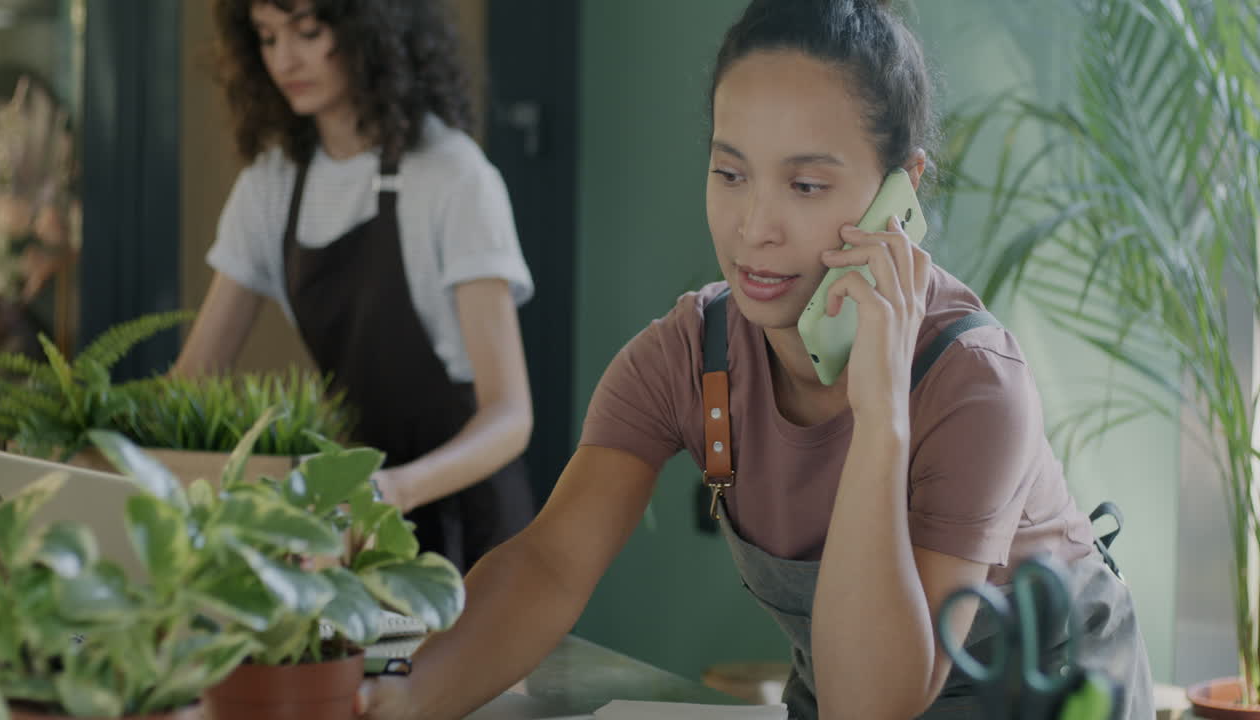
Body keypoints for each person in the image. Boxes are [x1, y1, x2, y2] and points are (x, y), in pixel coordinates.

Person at [356, 0, 1155, 717]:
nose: (754, 227)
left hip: (1048, 700)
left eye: (805, 186)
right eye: (730, 173)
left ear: (900, 192)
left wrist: (881, 418)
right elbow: (551, 565)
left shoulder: (975, 381)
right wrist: (405, 697)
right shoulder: (687, 355)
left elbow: (873, 707)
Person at [173, 0, 536, 573]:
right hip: (357, 517)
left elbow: (511, 415)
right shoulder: (270, 185)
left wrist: (394, 489)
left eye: (308, 31)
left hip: (473, 525)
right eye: (266, 38)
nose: (284, 59)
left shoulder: (453, 176)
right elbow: (190, 384)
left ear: (373, 29)